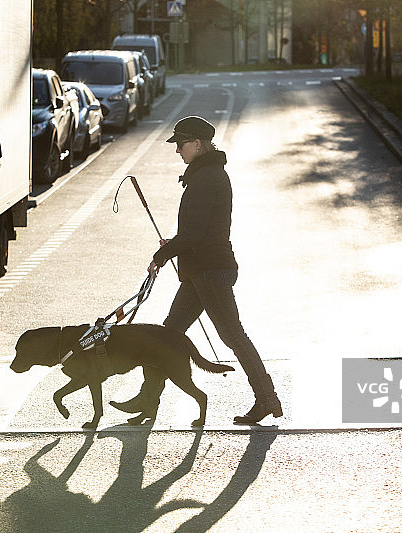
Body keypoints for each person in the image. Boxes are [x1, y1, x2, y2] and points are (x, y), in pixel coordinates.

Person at [113, 115, 282, 424]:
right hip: (201, 271)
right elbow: (193, 232)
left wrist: (163, 254)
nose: (178, 150)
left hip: (210, 271)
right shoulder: (205, 174)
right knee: (167, 336)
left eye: (181, 144)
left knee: (233, 337)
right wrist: (173, 246)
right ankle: (148, 400)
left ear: (197, 144)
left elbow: (196, 234)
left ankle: (267, 398)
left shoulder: (207, 178)